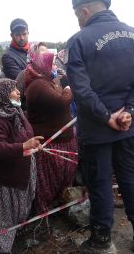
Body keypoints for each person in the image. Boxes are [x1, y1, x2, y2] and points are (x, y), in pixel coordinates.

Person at [67, 0, 134, 253]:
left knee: (100, 183)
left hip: (97, 129)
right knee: (130, 178)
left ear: (84, 11)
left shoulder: (79, 40)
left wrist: (107, 117)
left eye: (76, 15)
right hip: (129, 125)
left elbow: (81, 90)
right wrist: (129, 110)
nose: (77, 20)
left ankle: (102, 240)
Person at [0, 78, 43, 253]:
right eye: (13, 90)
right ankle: (1, 249)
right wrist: (23, 146)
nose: (18, 92)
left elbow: (25, 135)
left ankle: (14, 241)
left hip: (19, 173)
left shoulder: (16, 111)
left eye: (17, 88)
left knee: (18, 213)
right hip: (6, 180)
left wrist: (32, 143)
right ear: (3, 95)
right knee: (4, 219)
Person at [24, 51, 78, 213]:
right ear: (43, 66)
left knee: (62, 176)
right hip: (50, 142)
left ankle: (58, 208)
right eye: (52, 64)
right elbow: (62, 101)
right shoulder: (38, 85)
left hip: (62, 141)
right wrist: (68, 88)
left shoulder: (47, 81)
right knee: (48, 181)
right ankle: (44, 215)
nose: (55, 67)